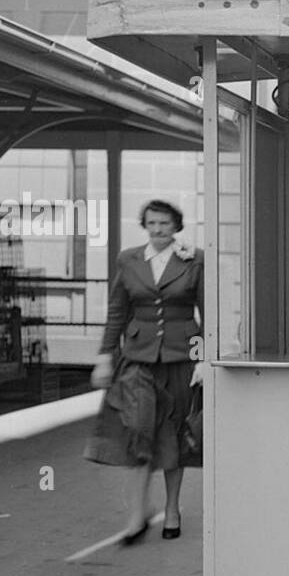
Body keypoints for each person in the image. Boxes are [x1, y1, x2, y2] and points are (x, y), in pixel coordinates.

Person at [85, 199, 206, 543]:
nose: (158, 230)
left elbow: (207, 313)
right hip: (138, 359)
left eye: (165, 224)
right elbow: (117, 313)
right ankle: (136, 515)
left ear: (176, 226)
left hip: (181, 359)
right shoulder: (129, 259)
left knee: (175, 435)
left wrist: (203, 361)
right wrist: (105, 356)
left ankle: (171, 509)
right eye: (152, 223)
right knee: (138, 431)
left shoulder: (195, 260)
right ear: (144, 225)